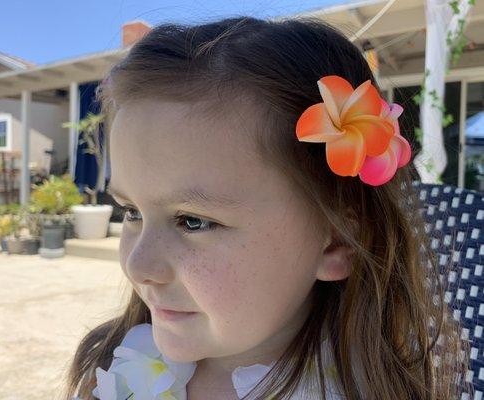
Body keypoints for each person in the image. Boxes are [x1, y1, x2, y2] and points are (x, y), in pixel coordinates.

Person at [64, 16, 471, 400]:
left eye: (193, 221)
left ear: (337, 242)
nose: (138, 266)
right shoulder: (110, 365)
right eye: (131, 212)